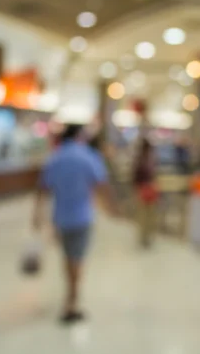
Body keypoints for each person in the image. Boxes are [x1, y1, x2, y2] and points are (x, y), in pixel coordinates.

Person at [32, 124, 116, 325]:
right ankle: (71, 302)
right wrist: (113, 208)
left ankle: (70, 296)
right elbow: (102, 184)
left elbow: (43, 188)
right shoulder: (88, 156)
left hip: (60, 218)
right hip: (82, 217)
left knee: (69, 256)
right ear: (79, 137)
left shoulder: (55, 158)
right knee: (77, 258)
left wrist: (37, 214)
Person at [133, 138, 158, 248]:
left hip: (148, 188)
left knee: (149, 214)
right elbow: (136, 176)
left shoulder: (150, 160)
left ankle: (147, 235)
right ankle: (144, 235)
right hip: (143, 188)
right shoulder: (142, 160)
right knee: (144, 214)